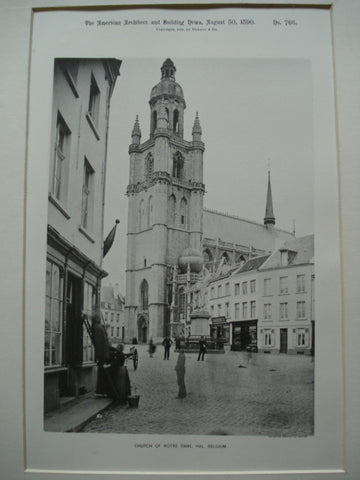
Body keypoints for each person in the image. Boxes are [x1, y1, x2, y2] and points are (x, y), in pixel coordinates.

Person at [90, 311, 110, 395]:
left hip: (102, 353)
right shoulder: (99, 327)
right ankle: (102, 390)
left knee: (101, 372)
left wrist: (98, 355)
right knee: (102, 372)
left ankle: (101, 390)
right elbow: (101, 342)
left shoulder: (96, 328)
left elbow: (98, 343)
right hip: (104, 353)